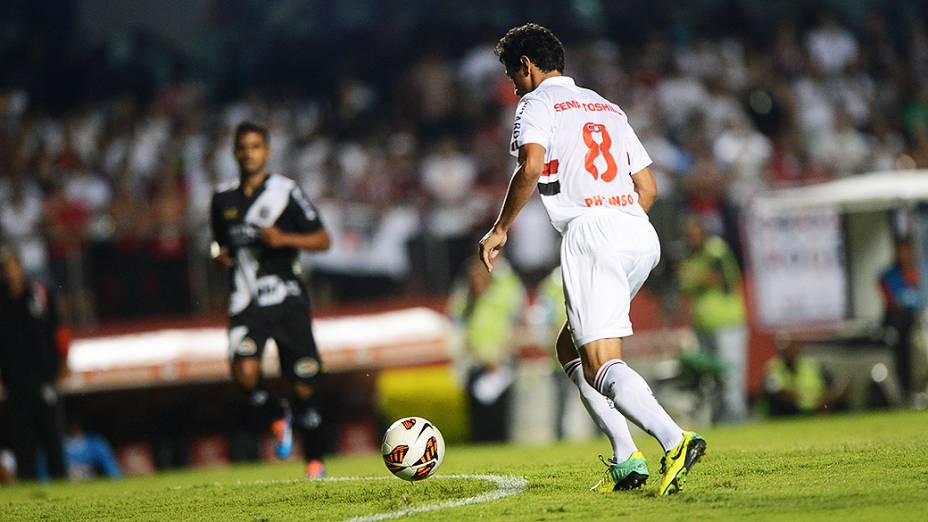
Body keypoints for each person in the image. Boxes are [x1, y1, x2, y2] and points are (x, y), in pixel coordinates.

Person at [478, 24, 706, 496]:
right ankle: (627, 460)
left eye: (512, 73)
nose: (513, 84)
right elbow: (649, 188)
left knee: (601, 362)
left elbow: (532, 166)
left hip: (591, 231)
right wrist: (618, 220)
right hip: (638, 230)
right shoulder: (606, 106)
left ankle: (673, 439)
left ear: (526, 65)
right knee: (571, 349)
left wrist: (500, 227)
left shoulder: (536, 103)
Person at [210, 122, 332, 478]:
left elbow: (323, 239)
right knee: (244, 372)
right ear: (235, 152)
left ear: (267, 151)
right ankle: (277, 415)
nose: (248, 153)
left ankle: (315, 461)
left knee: (303, 384)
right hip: (245, 299)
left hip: (287, 297)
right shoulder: (222, 198)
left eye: (255, 146)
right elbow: (218, 243)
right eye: (243, 147)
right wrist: (218, 255)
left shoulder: (284, 192)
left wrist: (283, 238)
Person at [0, 246, 68, 480]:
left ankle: (62, 483)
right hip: (15, 379)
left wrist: (61, 363)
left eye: (11, 267)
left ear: (20, 268)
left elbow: (55, 329)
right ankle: (28, 486)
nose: (9, 274)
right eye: (4, 269)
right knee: (23, 437)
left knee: (52, 433)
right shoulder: (2, 301)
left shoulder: (37, 293)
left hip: (43, 375)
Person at [677, 215, 748, 423]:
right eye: (688, 236)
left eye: (694, 235)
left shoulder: (716, 251)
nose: (691, 239)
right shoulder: (690, 256)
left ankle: (736, 420)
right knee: (712, 379)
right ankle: (720, 421)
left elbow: (726, 279)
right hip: (703, 325)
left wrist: (694, 276)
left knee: (730, 376)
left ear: (704, 233)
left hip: (727, 323)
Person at [448, 256, 525, 442]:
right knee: (476, 415)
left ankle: (501, 446)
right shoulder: (464, 301)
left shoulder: (501, 297)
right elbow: (458, 330)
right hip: (475, 364)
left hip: (500, 365)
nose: (476, 282)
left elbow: (515, 326)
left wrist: (500, 356)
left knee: (499, 414)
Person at [879, 237, 922, 400]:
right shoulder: (889, 276)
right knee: (903, 359)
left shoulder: (918, 273)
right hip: (900, 325)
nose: (905, 255)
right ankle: (906, 392)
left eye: (908, 251)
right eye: (902, 251)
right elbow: (890, 302)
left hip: (918, 323)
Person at [763, 337, 843, 416]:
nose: (788, 353)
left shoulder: (810, 365)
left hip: (815, 408)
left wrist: (826, 398)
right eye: (784, 350)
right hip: (787, 411)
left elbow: (829, 385)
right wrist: (803, 396)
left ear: (797, 349)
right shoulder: (773, 367)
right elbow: (775, 390)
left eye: (791, 349)